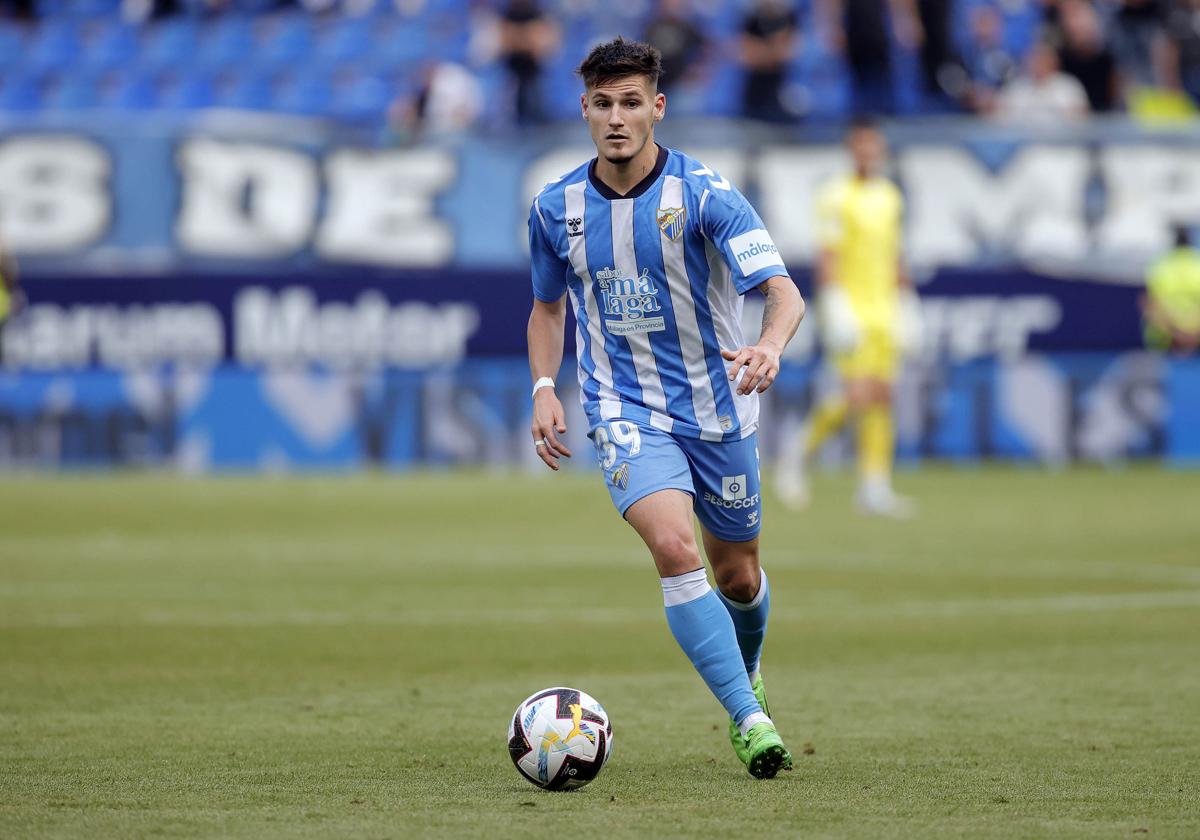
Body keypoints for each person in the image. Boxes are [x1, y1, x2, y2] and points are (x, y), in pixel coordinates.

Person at [525, 37, 805, 779]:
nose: (617, 118)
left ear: (657, 106)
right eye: (603, 104)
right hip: (624, 410)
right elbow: (547, 308)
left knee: (738, 576)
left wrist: (770, 346)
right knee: (676, 553)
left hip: (720, 410)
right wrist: (545, 386)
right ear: (584, 108)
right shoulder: (555, 209)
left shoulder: (707, 194)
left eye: (631, 103)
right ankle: (750, 720)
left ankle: (747, 679)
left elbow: (783, 292)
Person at [774, 117, 919, 517]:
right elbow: (829, 255)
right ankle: (796, 456)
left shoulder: (890, 196)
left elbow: (895, 254)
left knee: (882, 395)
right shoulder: (836, 195)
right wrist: (835, 303)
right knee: (855, 393)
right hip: (851, 309)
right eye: (861, 146)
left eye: (874, 146)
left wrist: (906, 302)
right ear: (851, 149)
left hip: (885, 308)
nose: (868, 154)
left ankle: (874, 485)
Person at [993, 40, 1090, 121]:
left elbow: (1081, 120)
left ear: (1054, 63)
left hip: (1063, 142)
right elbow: (1000, 119)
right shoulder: (1016, 88)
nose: (1039, 65)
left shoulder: (1069, 86)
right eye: (1035, 60)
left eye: (1043, 60)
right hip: (1025, 143)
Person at [738, 0, 800, 122]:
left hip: (779, 92)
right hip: (754, 94)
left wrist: (762, 49)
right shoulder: (753, 20)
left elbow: (786, 54)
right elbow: (748, 57)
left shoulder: (789, 18)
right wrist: (773, 48)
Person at [1141, 226, 1200, 354]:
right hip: (1194, 338)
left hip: (1165, 339)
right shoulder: (1197, 264)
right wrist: (1193, 336)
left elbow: (1150, 304)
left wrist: (1174, 333)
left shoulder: (1160, 266)